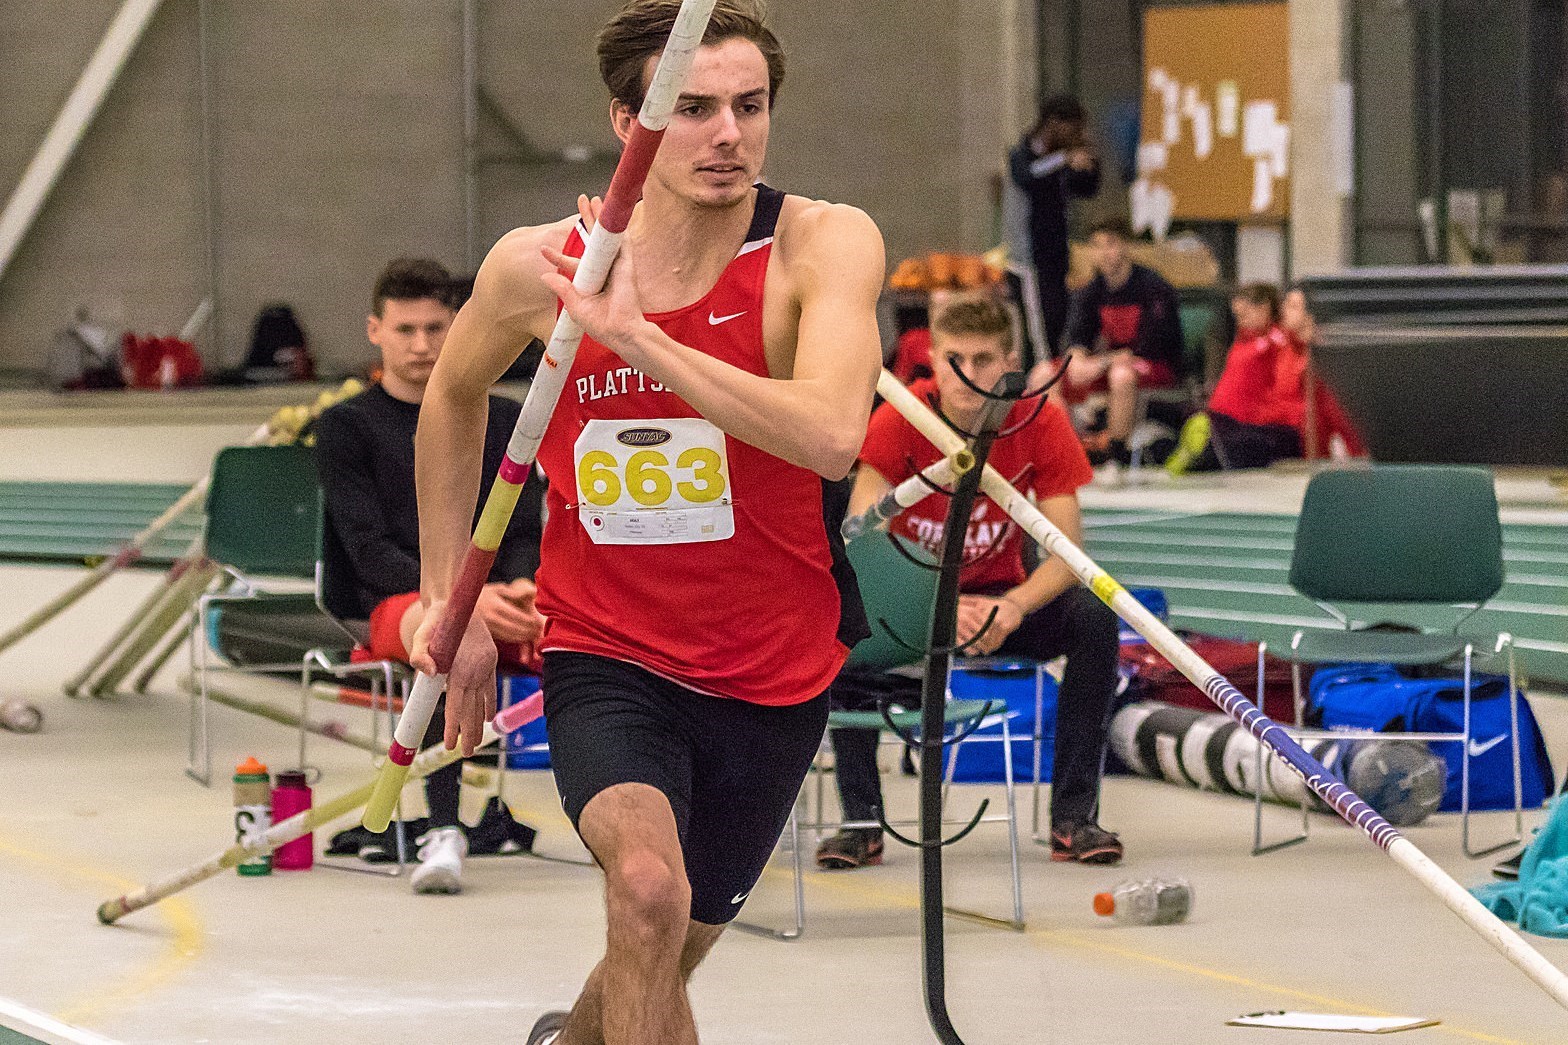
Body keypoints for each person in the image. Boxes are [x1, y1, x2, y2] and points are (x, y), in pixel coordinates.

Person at [409, 4, 883, 1043]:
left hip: (773, 663)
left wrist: (634, 338)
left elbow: (830, 436)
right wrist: (452, 596)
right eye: (693, 108)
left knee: (663, 949)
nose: (727, 134)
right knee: (646, 893)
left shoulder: (819, 244)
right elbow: (449, 398)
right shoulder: (538, 267)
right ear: (629, 123)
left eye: (748, 107)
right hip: (608, 650)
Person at [815, 294, 1123, 872]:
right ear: (930, 356)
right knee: (842, 616)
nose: (966, 375)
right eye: (952, 358)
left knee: (1093, 617)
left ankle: (1073, 818)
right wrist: (940, 606)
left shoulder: (1040, 420)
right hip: (913, 607)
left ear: (1010, 360)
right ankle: (860, 822)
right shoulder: (898, 418)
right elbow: (865, 542)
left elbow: (1069, 552)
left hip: (1002, 601)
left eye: (983, 360)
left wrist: (1011, 606)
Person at [312, 257, 547, 895]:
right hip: (390, 601)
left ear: (460, 328)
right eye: (405, 330)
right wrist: (461, 600)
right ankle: (444, 829)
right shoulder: (344, 427)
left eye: (436, 329)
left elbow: (525, 526)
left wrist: (519, 585)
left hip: (499, 597)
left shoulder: (503, 419)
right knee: (443, 634)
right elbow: (367, 550)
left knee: (603, 639)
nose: (421, 346)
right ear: (374, 332)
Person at [1164, 283, 1366, 475]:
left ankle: (1204, 451)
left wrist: (1362, 459)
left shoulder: (1320, 359)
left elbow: (1338, 415)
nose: (1284, 308)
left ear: (1311, 315)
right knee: (1212, 423)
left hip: (1292, 434)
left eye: (1292, 305)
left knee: (1245, 441)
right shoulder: (1282, 345)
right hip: (1271, 423)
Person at [1053, 217, 1184, 470]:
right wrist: (1077, 359)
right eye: (1097, 246)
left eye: (1111, 244)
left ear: (1126, 247)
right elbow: (1077, 335)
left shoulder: (1153, 287)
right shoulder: (1090, 290)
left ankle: (1115, 453)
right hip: (1109, 363)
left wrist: (1102, 361)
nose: (1104, 253)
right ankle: (1066, 450)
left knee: (1122, 376)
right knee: (1046, 375)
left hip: (1153, 365)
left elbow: (1149, 347)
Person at [1007, 94, 1101, 357]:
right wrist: (1064, 160)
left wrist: (1087, 165)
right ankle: (1043, 371)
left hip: (1056, 253)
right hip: (1029, 257)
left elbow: (1087, 188)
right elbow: (1028, 175)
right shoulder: (1023, 154)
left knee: (1059, 317)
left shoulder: (1060, 159)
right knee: (1039, 328)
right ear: (1054, 124)